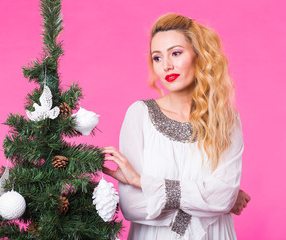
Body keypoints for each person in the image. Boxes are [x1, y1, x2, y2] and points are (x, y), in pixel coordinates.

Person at [102, 13, 250, 240]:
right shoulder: (139, 115)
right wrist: (208, 204)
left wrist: (142, 182)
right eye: (157, 58)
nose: (166, 66)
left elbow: (223, 197)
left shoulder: (226, 120)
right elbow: (133, 206)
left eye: (176, 53)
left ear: (199, 55)